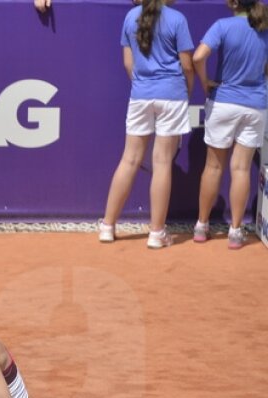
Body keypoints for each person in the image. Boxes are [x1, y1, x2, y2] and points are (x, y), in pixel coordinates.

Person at [99, 0, 194, 249]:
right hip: (172, 94)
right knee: (162, 162)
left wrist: (142, 86)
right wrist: (186, 92)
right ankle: (157, 233)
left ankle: (107, 226)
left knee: (129, 159)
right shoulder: (177, 19)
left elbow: (128, 63)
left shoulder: (130, 17)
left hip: (141, 95)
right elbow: (187, 65)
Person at [192, 0, 268, 249]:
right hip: (256, 104)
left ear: (234, 3)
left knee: (214, 167)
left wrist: (205, 83)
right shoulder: (264, 26)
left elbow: (198, 56)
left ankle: (202, 226)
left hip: (224, 101)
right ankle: (235, 231)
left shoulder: (222, 25)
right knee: (241, 169)